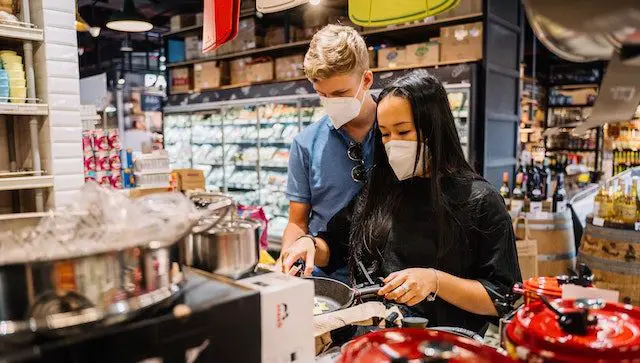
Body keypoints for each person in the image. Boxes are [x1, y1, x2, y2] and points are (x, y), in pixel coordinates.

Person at [281, 70, 521, 333]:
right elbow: (334, 243)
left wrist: (435, 281)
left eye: (403, 131)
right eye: (384, 134)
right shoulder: (380, 190)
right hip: (374, 340)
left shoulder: (480, 201)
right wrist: (310, 244)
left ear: (434, 128)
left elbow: (502, 298)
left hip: (441, 347)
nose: (393, 144)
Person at [278, 25, 377, 282]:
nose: (331, 103)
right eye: (323, 95)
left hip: (392, 280)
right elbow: (297, 222)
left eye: (341, 94)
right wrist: (290, 255)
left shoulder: (398, 131)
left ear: (366, 80)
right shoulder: (305, 144)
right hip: (328, 282)